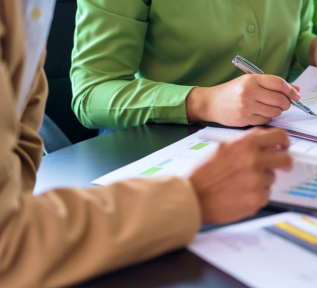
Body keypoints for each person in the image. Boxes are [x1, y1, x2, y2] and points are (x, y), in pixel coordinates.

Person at [0, 1, 292, 287]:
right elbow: (8, 243)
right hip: (147, 170)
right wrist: (191, 198)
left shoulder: (29, 11)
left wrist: (310, 45)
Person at [70, 0, 317, 131]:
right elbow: (91, 93)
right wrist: (205, 102)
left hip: (272, 138)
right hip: (157, 146)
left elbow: (294, 32)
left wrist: (312, 46)